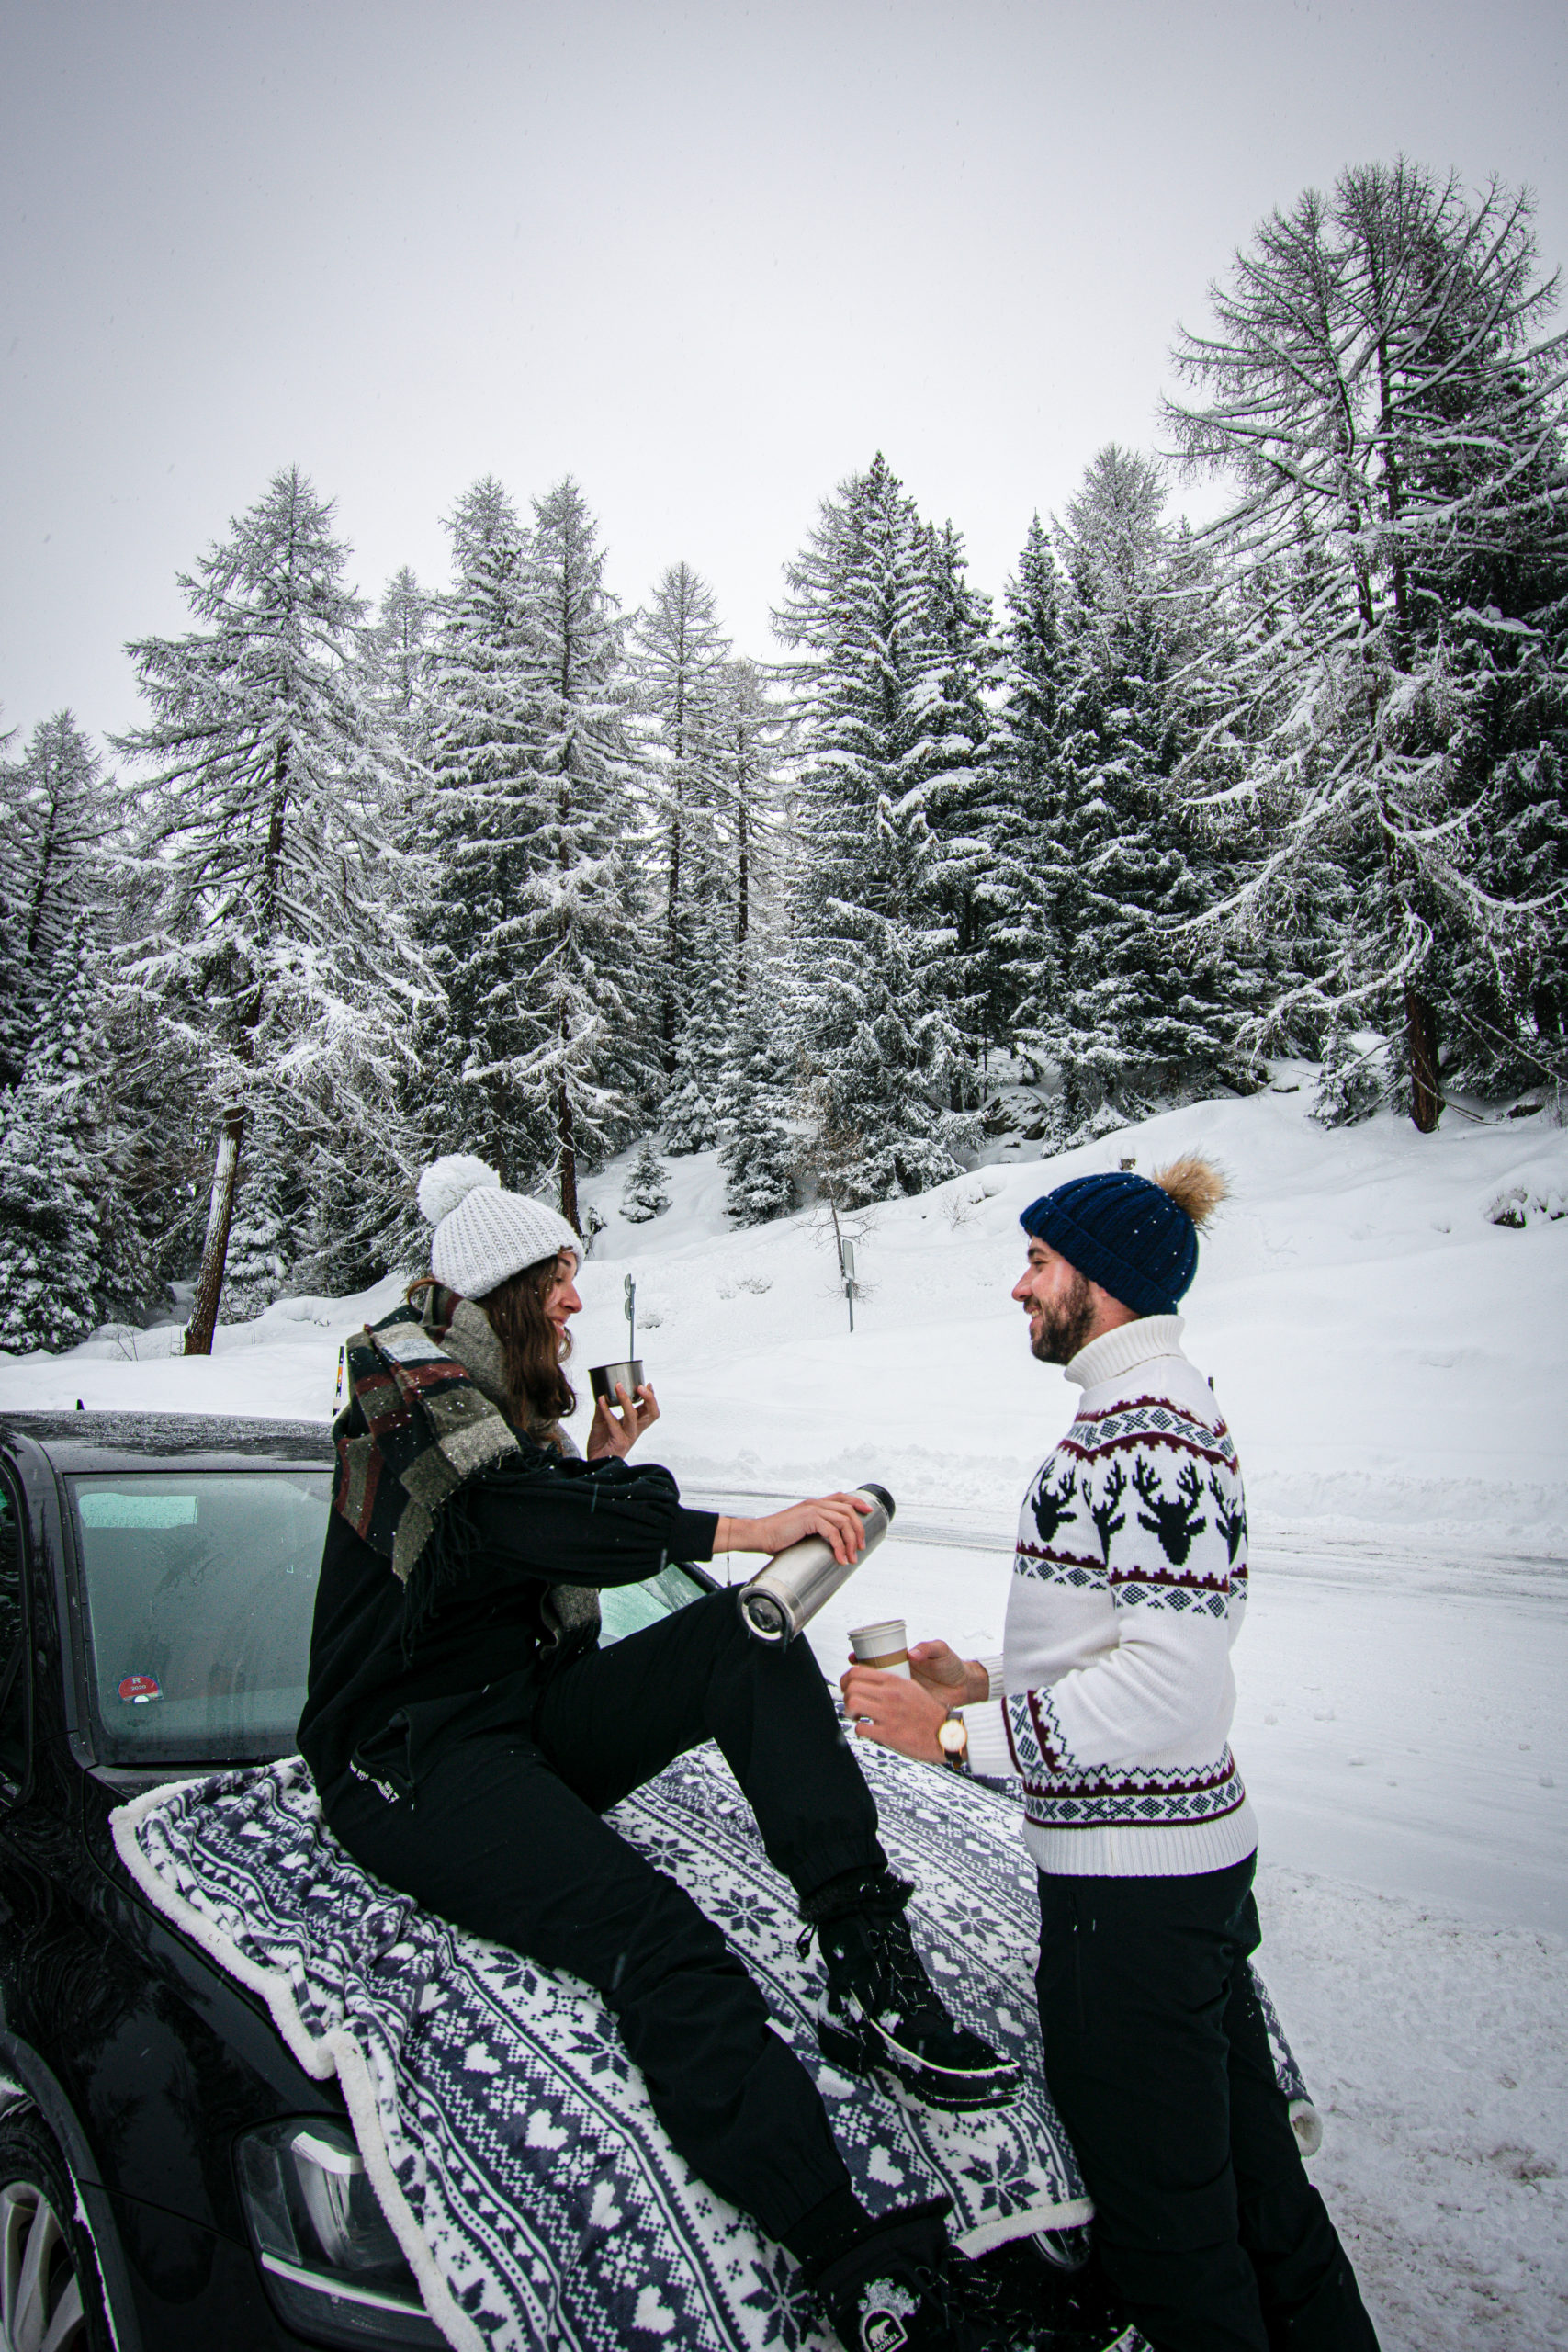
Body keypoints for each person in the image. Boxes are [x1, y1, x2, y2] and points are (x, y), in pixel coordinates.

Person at [299, 1155, 1016, 2352]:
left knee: (748, 1634)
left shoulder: (496, 1394)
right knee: (660, 1942)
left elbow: (514, 1551)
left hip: (521, 1712)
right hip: (408, 1757)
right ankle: (857, 2256)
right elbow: (500, 1523)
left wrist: (599, 1460)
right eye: (563, 1282)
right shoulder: (399, 1376)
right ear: (507, 1286)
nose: (579, 1305)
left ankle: (867, 1957)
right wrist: (739, 1522)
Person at [840, 1158, 1381, 2352]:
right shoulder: (1137, 1418)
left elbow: (1169, 1691)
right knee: (1253, 2200)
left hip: (1134, 1899)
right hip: (1166, 1878)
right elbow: (1126, 1640)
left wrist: (962, 1734)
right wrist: (979, 1677)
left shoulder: (1149, 1434)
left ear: (1103, 1280)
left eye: (1038, 1262)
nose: (1018, 1288)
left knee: (1172, 2245)